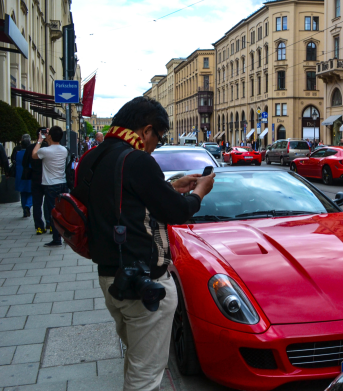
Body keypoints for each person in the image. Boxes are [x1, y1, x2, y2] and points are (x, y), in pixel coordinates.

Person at [76, 97, 214, 390]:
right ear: (146, 130)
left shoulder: (93, 157)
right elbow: (176, 211)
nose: (156, 146)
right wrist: (199, 193)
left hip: (110, 276)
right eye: (158, 139)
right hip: (143, 281)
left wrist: (171, 187)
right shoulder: (138, 160)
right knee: (146, 375)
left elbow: (118, 202)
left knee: (137, 359)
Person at [32, 126, 68, 246]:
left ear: (50, 136)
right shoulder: (64, 150)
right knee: (61, 211)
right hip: (62, 183)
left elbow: (34, 154)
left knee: (53, 212)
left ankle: (57, 239)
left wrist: (40, 140)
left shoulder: (45, 151)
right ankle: (64, 236)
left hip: (50, 185)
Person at [23, 128, 51, 234]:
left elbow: (24, 163)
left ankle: (39, 226)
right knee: (50, 202)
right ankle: (51, 224)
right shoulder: (50, 147)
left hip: (36, 178)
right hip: (48, 178)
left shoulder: (30, 148)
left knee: (37, 203)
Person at [15, 135, 32, 218]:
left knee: (23, 193)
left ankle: (24, 212)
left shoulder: (18, 154)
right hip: (29, 175)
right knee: (31, 192)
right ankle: (28, 206)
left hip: (20, 175)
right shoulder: (31, 153)